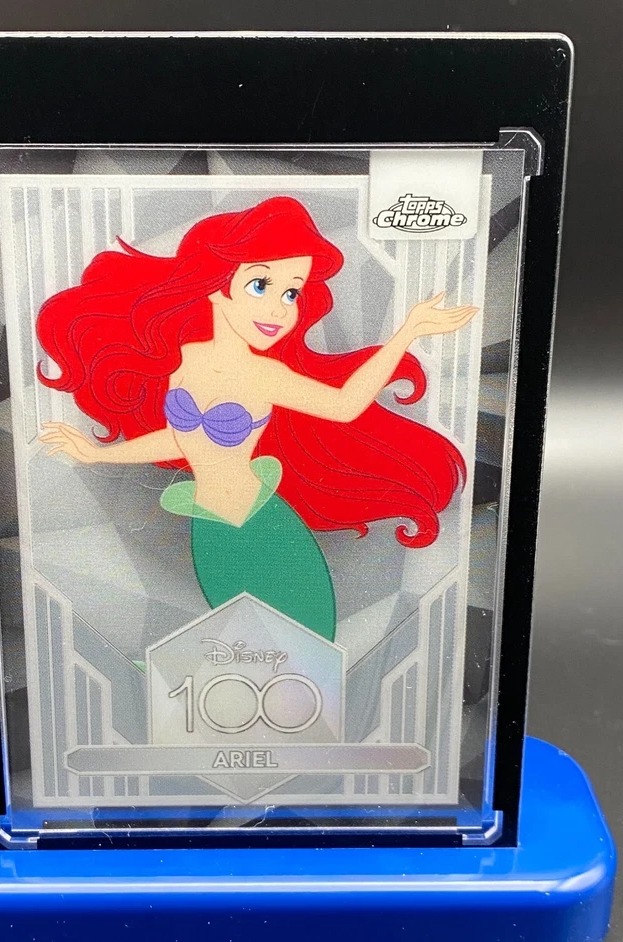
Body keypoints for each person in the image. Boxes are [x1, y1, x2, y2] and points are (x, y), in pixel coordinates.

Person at [37, 196, 476, 642]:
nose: (280, 309)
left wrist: (407, 333)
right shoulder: (185, 361)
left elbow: (344, 405)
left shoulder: (264, 374)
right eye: (261, 285)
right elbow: (180, 439)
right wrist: (96, 454)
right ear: (216, 284)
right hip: (211, 528)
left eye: (292, 292)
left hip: (264, 526)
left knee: (303, 636)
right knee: (241, 637)